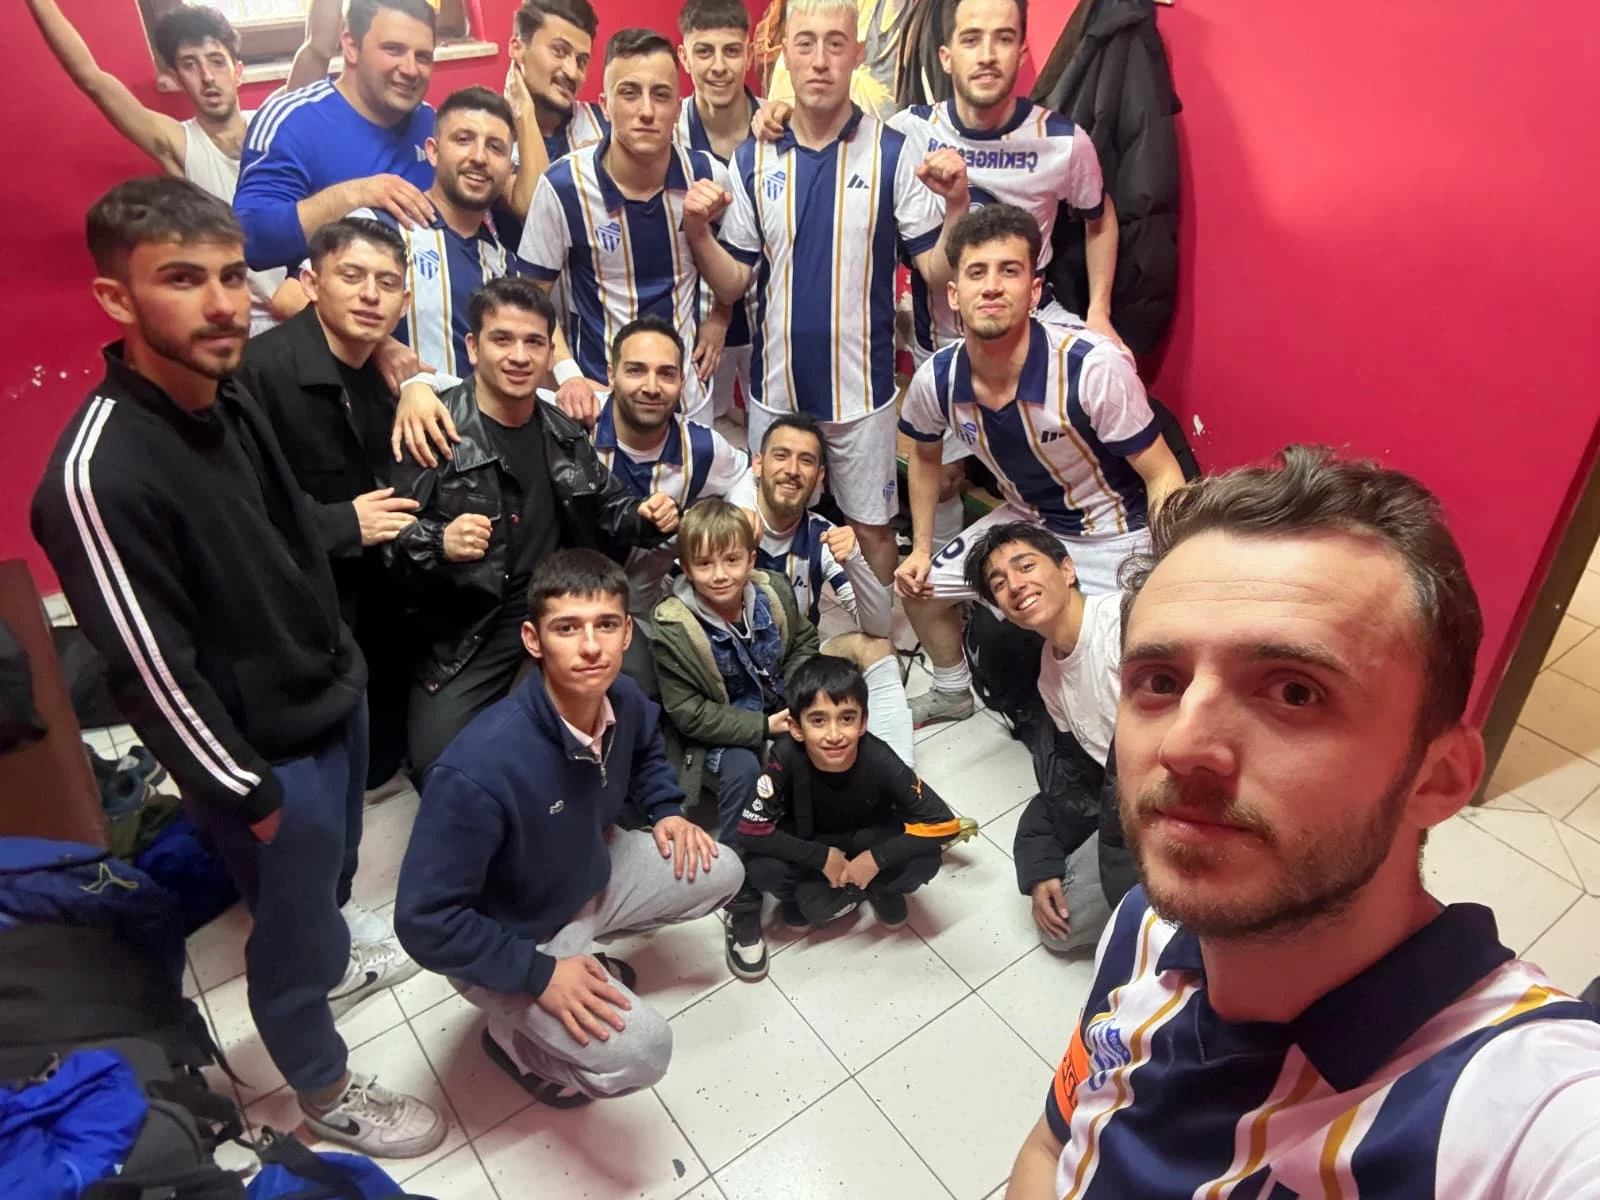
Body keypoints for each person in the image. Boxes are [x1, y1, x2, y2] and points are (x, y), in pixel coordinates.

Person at [1006, 446, 1600, 1200]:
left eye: (1294, 691)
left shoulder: (1524, 1116)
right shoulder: (1144, 925)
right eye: (1160, 681)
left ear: (1439, 777)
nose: (1183, 745)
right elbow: (1053, 1146)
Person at [30, 177, 443, 1158]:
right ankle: (324, 1086)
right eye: (183, 279)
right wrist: (246, 792)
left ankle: (332, 941)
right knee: (289, 940)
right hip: (262, 754)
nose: (220, 303)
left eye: (228, 275)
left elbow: (288, 530)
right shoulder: (96, 473)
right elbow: (148, 672)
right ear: (117, 297)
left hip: (328, 695)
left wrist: (341, 661)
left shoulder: (225, 395)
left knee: (327, 882)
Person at [395, 549, 738, 1107]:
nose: (591, 646)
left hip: (584, 873)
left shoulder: (623, 698)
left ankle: (583, 953)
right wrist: (539, 973)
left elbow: (648, 749)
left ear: (628, 632)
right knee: (645, 1052)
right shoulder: (477, 769)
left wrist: (667, 810)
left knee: (723, 870)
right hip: (516, 932)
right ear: (533, 639)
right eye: (567, 628)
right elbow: (422, 922)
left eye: (606, 625)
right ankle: (514, 1042)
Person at [689, 0, 974, 584]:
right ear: (785, 55)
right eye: (806, 43)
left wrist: (956, 207)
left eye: (835, 44)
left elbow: (935, 271)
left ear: (857, 54)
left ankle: (877, 632)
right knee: (768, 524)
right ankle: (781, 625)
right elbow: (734, 280)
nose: (820, 60)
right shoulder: (754, 156)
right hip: (777, 391)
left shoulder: (893, 150)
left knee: (871, 529)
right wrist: (696, 231)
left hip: (862, 394)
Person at [895, 204, 1185, 727]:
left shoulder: (1090, 367)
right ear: (954, 293)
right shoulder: (936, 378)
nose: (992, 286)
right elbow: (924, 454)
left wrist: (1169, 567)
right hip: (1027, 520)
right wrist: (918, 549)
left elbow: (1163, 474)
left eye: (1009, 271)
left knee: (1134, 657)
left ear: (1033, 291)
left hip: (1116, 531)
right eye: (977, 272)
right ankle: (952, 690)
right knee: (919, 587)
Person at [384, 277, 679, 774]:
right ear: (473, 347)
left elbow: (610, 505)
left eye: (534, 342)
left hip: (560, 601)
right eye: (503, 339)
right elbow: (386, 541)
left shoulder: (562, 430)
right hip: (473, 622)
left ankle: (616, 796)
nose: (519, 356)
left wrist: (647, 518)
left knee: (640, 685)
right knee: (439, 763)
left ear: (548, 353)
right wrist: (440, 541)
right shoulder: (434, 427)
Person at [235, 217, 417, 792]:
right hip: (297, 622)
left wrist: (417, 385)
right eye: (352, 276)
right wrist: (345, 523)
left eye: (386, 283)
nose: (370, 295)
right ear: (312, 283)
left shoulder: (385, 372)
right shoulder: (256, 374)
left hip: (377, 605)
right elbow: (237, 515)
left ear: (405, 301)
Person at [25, 0, 322, 333]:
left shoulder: (275, 126)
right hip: (245, 327)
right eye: (190, 65)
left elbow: (318, 49)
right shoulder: (179, 143)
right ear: (175, 77)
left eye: (216, 61)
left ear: (238, 71)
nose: (207, 77)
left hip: (310, 305)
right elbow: (91, 78)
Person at [517, 28, 745, 427]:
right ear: (605, 105)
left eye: (661, 95)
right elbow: (529, 299)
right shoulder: (563, 186)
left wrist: (720, 316)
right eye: (629, 93)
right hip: (600, 399)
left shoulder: (709, 176)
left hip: (687, 399)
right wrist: (568, 375)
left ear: (678, 106)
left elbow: (734, 277)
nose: (646, 111)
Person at [650, 498, 820, 980]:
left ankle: (803, 869)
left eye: (731, 560)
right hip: (714, 737)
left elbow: (804, 641)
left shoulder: (773, 591)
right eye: (704, 564)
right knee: (745, 770)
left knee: (812, 752)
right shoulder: (673, 627)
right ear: (686, 569)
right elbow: (688, 714)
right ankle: (739, 898)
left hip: (778, 711)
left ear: (751, 558)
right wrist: (762, 728)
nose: (720, 574)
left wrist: (796, 705)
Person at [966, 522, 1120, 956]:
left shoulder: (1123, 626)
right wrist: (1040, 862)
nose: (1015, 585)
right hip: (1132, 812)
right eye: (999, 583)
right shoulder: (1050, 679)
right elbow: (1073, 782)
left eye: (1025, 566)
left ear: (1067, 569)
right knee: (1062, 926)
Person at [740, 655, 969, 944]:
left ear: (863, 723)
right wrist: (820, 857)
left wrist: (876, 859)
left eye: (847, 718)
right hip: (810, 838)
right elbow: (750, 830)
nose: (834, 735)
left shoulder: (879, 756)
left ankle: (883, 888)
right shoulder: (785, 755)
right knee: (761, 868)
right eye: (818, 721)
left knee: (925, 859)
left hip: (869, 836)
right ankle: (797, 896)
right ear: (796, 727)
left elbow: (945, 824)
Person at [587, 316, 756, 696]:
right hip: (571, 600)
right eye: (636, 370)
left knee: (652, 698)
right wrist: (420, 388)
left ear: (682, 382)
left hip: (641, 612)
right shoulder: (577, 419)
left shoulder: (700, 446)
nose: (651, 387)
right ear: (611, 375)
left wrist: (744, 512)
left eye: (666, 374)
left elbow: (744, 473)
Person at [751, 412, 915, 764]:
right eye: (781, 455)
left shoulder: (822, 533)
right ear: (758, 464)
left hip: (795, 661)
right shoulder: (728, 522)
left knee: (877, 646)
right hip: (736, 671)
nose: (792, 470)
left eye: (806, 460)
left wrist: (855, 560)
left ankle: (900, 773)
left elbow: (879, 626)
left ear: (820, 476)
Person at [235, 0, 438, 279]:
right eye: (393, 49)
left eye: (423, 57)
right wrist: (355, 196)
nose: (411, 69)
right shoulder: (292, 120)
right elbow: (249, 242)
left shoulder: (432, 124)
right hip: (331, 302)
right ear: (351, 47)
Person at [674, 0, 761, 419]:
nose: (719, 67)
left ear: (750, 53)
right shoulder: (668, 132)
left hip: (771, 318)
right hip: (695, 325)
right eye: (704, 51)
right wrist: (716, 314)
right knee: (702, 438)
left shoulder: (781, 129)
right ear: (684, 56)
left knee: (777, 438)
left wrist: (724, 313)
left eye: (731, 51)